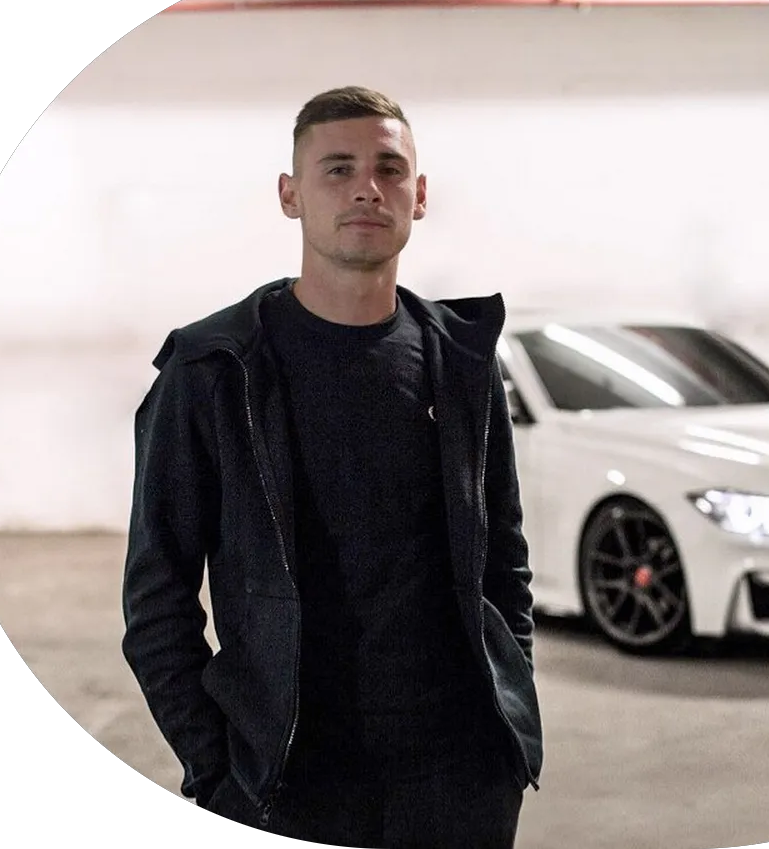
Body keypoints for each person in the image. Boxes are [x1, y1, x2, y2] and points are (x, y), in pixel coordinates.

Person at [121, 86, 543, 848]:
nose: (366, 188)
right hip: (288, 785)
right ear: (291, 195)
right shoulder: (213, 368)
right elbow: (157, 597)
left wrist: (506, 736)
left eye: (389, 169)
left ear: (419, 196)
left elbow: (503, 561)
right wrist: (217, 771)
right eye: (338, 168)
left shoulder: (462, 361)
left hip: (460, 783)